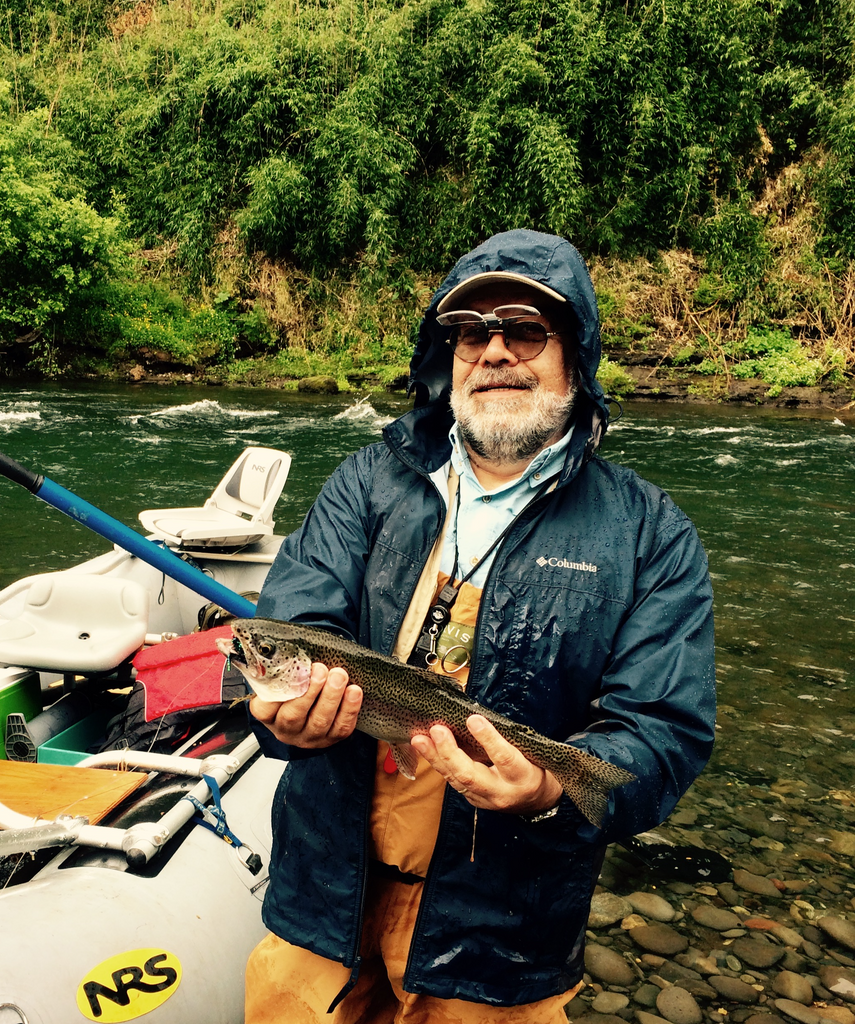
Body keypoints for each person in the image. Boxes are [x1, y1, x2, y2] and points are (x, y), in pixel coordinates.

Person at [244, 229, 716, 1023]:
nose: (494, 350)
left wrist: (548, 789)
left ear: (576, 354)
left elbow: (663, 732)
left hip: (502, 947)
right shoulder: (367, 480)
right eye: (471, 332)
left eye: (525, 330)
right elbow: (293, 619)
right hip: (321, 913)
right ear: (448, 355)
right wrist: (285, 719)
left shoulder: (649, 532)